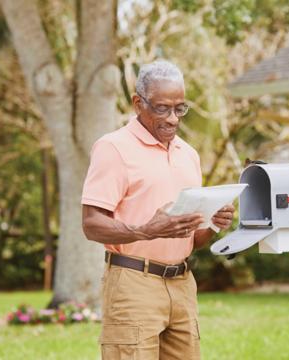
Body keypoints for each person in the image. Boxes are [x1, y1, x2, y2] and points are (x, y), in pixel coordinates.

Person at [81, 60, 234, 359]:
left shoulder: (188, 155)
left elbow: (192, 239)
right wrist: (144, 231)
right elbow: (91, 223)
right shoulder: (113, 148)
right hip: (133, 285)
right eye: (163, 108)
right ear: (139, 103)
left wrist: (213, 223)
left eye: (180, 108)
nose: (173, 119)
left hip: (182, 284)